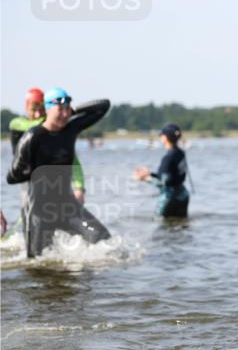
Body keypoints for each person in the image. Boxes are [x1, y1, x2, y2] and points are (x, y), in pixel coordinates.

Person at [5, 88, 111, 258]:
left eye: (66, 110)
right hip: (39, 210)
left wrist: (71, 110)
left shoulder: (71, 129)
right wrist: (34, 170)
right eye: (59, 110)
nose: (63, 115)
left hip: (67, 206)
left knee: (104, 240)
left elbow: (103, 106)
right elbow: (11, 177)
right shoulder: (32, 137)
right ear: (47, 109)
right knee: (36, 263)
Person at [9, 87, 87, 204]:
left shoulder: (56, 128)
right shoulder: (17, 123)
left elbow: (74, 162)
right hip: (28, 179)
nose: (37, 113)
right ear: (26, 107)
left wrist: (79, 187)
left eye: (40, 109)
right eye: (33, 108)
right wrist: (51, 119)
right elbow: (34, 125)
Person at [133, 124, 191, 218]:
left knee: (162, 228)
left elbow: (163, 183)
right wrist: (150, 174)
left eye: (161, 135)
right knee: (181, 226)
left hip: (169, 198)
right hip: (183, 195)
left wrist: (144, 178)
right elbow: (173, 176)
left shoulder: (167, 158)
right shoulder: (180, 153)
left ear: (165, 138)